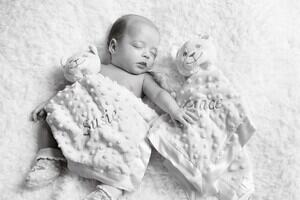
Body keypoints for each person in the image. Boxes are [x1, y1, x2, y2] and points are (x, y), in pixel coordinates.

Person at [26, 14, 198, 200]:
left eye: (153, 53)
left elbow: (158, 94)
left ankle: (108, 192)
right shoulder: (97, 69)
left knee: (134, 156)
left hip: (116, 131)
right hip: (86, 122)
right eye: (139, 46)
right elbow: (73, 92)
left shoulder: (142, 79)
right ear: (114, 46)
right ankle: (49, 157)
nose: (147, 54)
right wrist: (52, 102)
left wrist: (174, 110)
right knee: (53, 118)